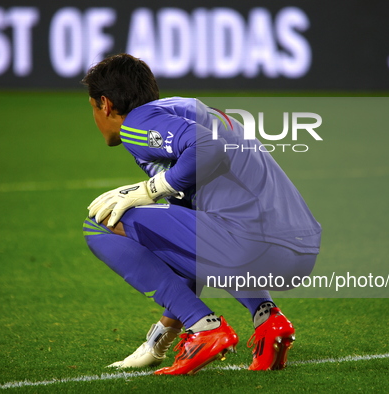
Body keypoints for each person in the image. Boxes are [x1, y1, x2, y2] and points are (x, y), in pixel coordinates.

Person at [82, 53, 321, 375]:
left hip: (254, 246)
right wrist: (160, 339)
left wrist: (150, 190)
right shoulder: (190, 111)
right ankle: (268, 320)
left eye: (92, 108)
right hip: (298, 253)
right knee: (199, 230)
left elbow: (207, 148)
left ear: (105, 104)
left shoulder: (137, 123)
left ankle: (206, 331)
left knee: (102, 222)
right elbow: (186, 247)